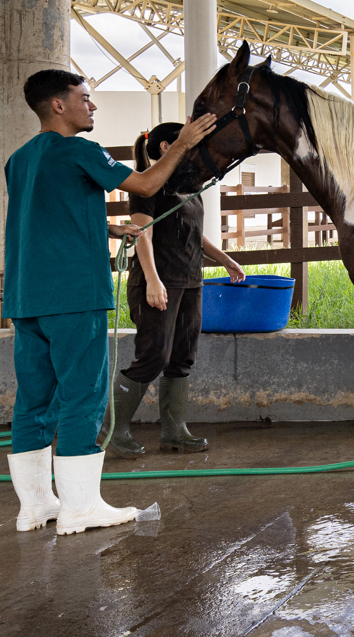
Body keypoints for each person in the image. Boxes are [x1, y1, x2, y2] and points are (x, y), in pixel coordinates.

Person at [3, 69, 216, 535]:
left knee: (35, 399)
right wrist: (180, 144)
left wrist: (108, 229)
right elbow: (143, 185)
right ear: (58, 105)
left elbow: (46, 218)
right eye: (85, 97)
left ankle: (36, 507)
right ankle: (80, 508)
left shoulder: (19, 159)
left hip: (26, 296)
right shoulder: (81, 150)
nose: (93, 105)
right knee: (83, 394)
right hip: (73, 294)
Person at [104, 122, 247, 459]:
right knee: (154, 354)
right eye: (193, 144)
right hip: (158, 282)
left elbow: (196, 235)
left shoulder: (187, 188)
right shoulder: (147, 186)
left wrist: (226, 260)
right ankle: (113, 427)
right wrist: (152, 279)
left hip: (189, 281)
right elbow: (142, 233)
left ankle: (174, 431)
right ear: (168, 147)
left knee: (183, 356)